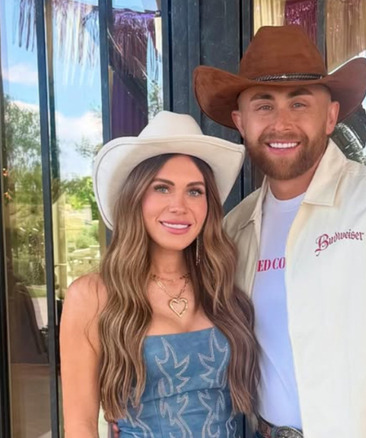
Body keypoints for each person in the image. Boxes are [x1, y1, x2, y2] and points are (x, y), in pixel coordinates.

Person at [193, 26, 366, 437]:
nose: (281, 123)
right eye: (263, 106)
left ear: (331, 116)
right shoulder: (234, 229)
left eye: (299, 103)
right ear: (240, 121)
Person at [59, 111, 259, 437]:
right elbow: (80, 425)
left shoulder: (220, 286)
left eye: (194, 191)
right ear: (135, 197)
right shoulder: (93, 295)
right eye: (162, 188)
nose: (179, 205)